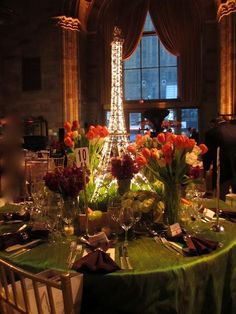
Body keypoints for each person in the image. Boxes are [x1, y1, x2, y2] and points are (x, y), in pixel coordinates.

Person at [203, 117, 236, 200]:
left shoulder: (213, 132)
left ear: (213, 124)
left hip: (223, 169)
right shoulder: (234, 128)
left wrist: (206, 167)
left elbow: (207, 152)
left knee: (222, 197)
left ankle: (223, 211)